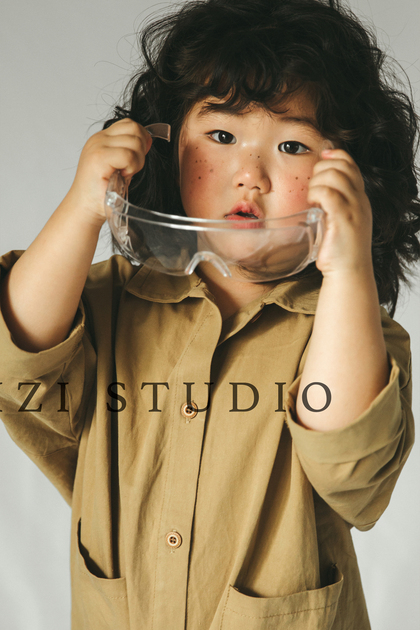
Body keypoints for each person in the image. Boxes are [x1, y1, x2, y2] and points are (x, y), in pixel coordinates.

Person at [0, 0, 419, 628]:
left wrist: (348, 270)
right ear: (165, 144)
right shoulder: (108, 303)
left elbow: (351, 468)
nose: (250, 174)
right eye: (222, 137)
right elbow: (19, 363)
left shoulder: (351, 331)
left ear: (353, 173)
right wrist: (84, 207)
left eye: (292, 145)